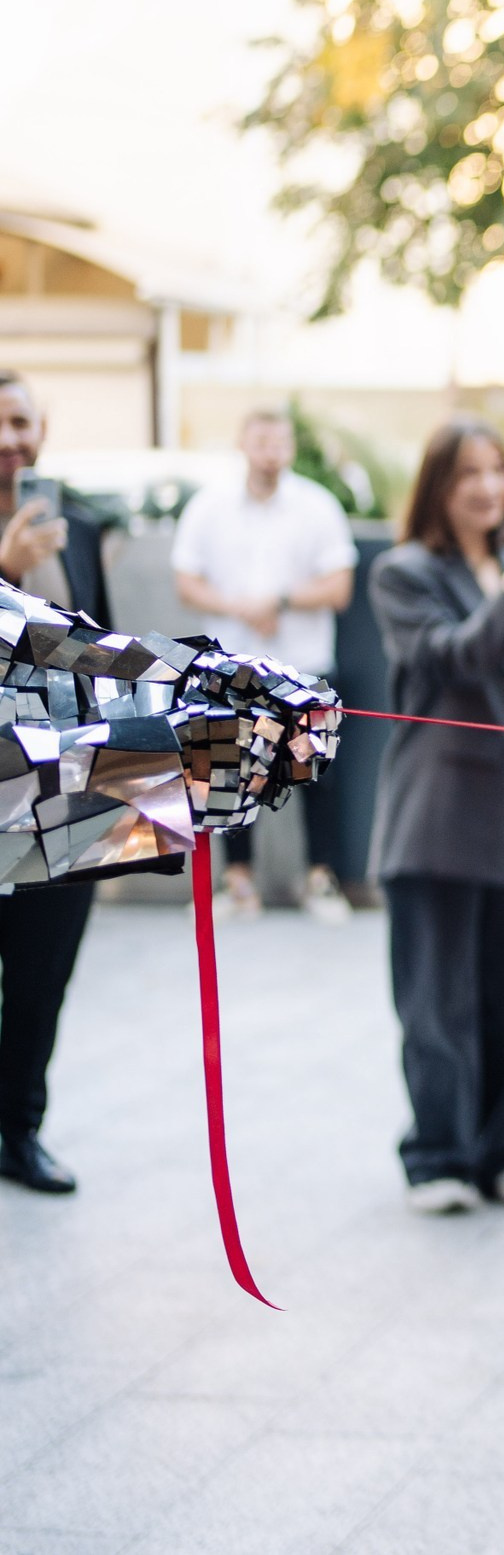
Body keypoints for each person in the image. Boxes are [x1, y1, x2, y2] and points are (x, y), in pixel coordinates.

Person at [369, 420, 504, 1215]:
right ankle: (439, 1153)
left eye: (499, 469)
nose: (490, 487)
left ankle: (502, 1145)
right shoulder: (404, 573)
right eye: (470, 474)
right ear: (438, 486)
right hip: (438, 815)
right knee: (438, 1001)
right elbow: (455, 658)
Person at [172, 408, 359, 918]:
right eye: (260, 440)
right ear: (242, 442)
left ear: (291, 447)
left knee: (316, 773)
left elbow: (339, 585)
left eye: (279, 441)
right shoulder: (209, 506)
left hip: (306, 666)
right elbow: (186, 580)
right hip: (234, 669)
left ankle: (322, 880)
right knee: (226, 771)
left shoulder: (317, 506)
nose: (270, 450)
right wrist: (241, 607)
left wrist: (277, 601)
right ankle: (238, 884)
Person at [0, 370, 112, 1195]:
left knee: (45, 972)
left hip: (65, 782)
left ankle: (20, 1127)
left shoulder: (73, 519)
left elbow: (98, 649)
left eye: (22, 422)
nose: (13, 441)